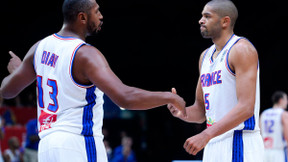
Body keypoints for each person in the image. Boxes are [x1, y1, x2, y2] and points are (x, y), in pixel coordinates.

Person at [0, 0, 186, 162]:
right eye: (96, 11)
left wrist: (15, 72)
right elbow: (125, 97)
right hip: (78, 142)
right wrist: (169, 97)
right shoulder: (86, 54)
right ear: (82, 17)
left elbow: (7, 90)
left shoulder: (39, 47)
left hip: (48, 146)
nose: (101, 16)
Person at [167, 0, 264, 161]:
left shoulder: (241, 49)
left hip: (239, 141)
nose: (200, 20)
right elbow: (200, 112)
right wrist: (182, 112)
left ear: (225, 21)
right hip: (213, 142)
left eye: (207, 16)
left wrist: (205, 134)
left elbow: (247, 107)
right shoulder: (204, 56)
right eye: (201, 16)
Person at [260, 91, 288, 162]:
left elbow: (259, 132)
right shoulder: (283, 114)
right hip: (278, 151)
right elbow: (286, 134)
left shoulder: (264, 113)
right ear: (281, 100)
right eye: (286, 99)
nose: (287, 102)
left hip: (265, 151)